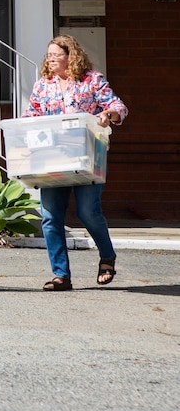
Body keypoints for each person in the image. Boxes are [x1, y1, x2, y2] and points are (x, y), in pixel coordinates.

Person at [23, 34, 128, 291]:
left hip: (87, 157)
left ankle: (107, 256)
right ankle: (61, 275)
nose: (51, 59)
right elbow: (31, 114)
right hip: (53, 159)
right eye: (49, 55)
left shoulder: (91, 80)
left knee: (87, 211)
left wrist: (107, 114)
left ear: (71, 56)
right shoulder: (42, 85)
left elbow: (117, 106)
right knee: (50, 216)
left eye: (56, 54)